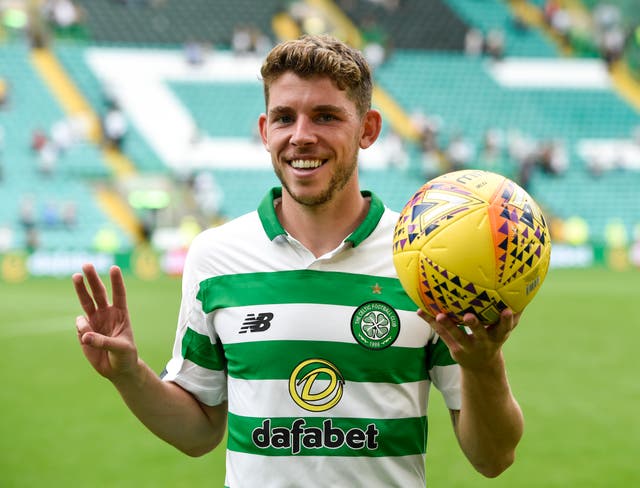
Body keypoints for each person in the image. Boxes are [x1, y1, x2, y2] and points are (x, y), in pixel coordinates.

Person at [72, 34, 524, 487]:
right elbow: (198, 432)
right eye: (285, 118)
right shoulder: (216, 257)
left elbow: (493, 457)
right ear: (265, 131)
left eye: (326, 117)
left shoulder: (424, 264)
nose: (301, 136)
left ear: (368, 129)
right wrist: (130, 376)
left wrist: (485, 366)